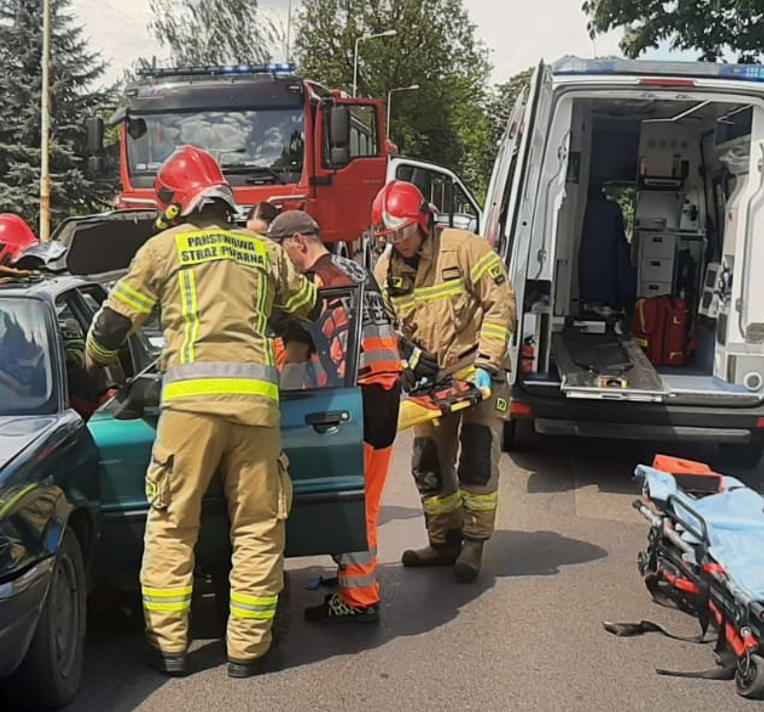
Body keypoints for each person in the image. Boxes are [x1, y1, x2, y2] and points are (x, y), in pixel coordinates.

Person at [84, 145, 321, 678]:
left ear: (174, 204)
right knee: (259, 528)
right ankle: (248, 650)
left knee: (171, 525)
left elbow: (111, 328)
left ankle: (169, 647)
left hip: (188, 412)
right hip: (256, 412)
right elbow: (311, 305)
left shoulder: (163, 249)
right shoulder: (263, 251)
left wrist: (96, 364)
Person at [371, 180, 516, 583]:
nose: (398, 243)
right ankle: (443, 540)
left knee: (477, 458)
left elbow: (500, 305)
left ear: (423, 221)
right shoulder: (385, 270)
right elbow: (384, 326)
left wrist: (489, 361)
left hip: (476, 374)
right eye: (390, 237)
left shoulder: (467, 249)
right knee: (428, 464)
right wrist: (406, 361)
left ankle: (473, 543)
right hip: (430, 384)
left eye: (403, 232)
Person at [266, 210, 408, 623]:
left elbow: (299, 349)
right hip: (382, 391)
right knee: (360, 497)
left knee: (357, 508)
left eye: (281, 251)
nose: (281, 260)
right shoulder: (353, 269)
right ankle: (350, 574)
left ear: (298, 242)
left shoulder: (318, 283)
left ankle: (360, 599)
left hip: (360, 396)